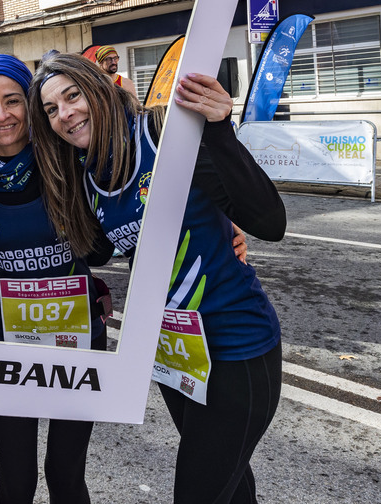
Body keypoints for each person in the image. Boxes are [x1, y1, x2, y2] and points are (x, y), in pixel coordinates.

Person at [30, 54, 285, 504]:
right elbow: (99, 250)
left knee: (198, 491)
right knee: (231, 487)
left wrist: (219, 130)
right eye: (51, 109)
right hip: (175, 352)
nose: (65, 113)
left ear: (101, 88)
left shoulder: (162, 134)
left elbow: (270, 220)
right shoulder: (87, 170)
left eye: (73, 95)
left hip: (236, 346)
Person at [0, 54, 108, 504]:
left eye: (12, 101)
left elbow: (139, 196)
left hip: (77, 336)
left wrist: (224, 226)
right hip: (9, 339)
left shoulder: (69, 155)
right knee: (15, 481)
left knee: (64, 477)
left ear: (31, 104)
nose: (1, 115)